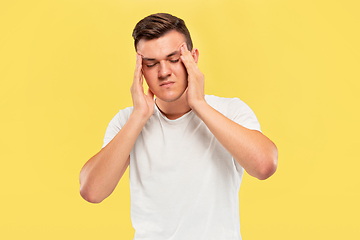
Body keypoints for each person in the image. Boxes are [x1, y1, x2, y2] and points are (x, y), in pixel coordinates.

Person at [79, 13, 278, 240]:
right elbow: (91, 191)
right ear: (140, 70)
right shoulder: (128, 121)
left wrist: (199, 104)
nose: (164, 72)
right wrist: (139, 117)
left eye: (174, 59)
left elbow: (265, 165)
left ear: (192, 57)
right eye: (151, 64)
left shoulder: (229, 111)